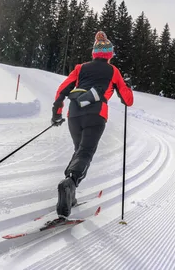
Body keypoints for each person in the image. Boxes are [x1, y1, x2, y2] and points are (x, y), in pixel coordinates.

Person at [50, 31, 134, 222]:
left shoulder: (80, 68)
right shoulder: (113, 71)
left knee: (79, 150)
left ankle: (70, 189)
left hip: (75, 114)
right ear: (109, 54)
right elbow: (128, 100)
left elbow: (62, 89)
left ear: (94, 53)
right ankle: (70, 182)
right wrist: (128, 86)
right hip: (97, 114)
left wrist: (57, 113)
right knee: (86, 151)